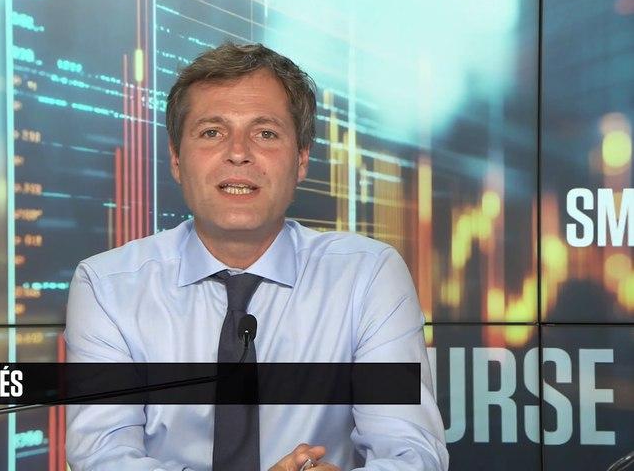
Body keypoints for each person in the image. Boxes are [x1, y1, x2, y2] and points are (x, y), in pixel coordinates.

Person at [65, 42, 448, 470]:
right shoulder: (107, 287)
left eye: (265, 133)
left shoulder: (368, 277)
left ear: (301, 160)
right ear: (175, 158)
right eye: (212, 132)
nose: (238, 152)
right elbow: (103, 457)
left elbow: (411, 452)